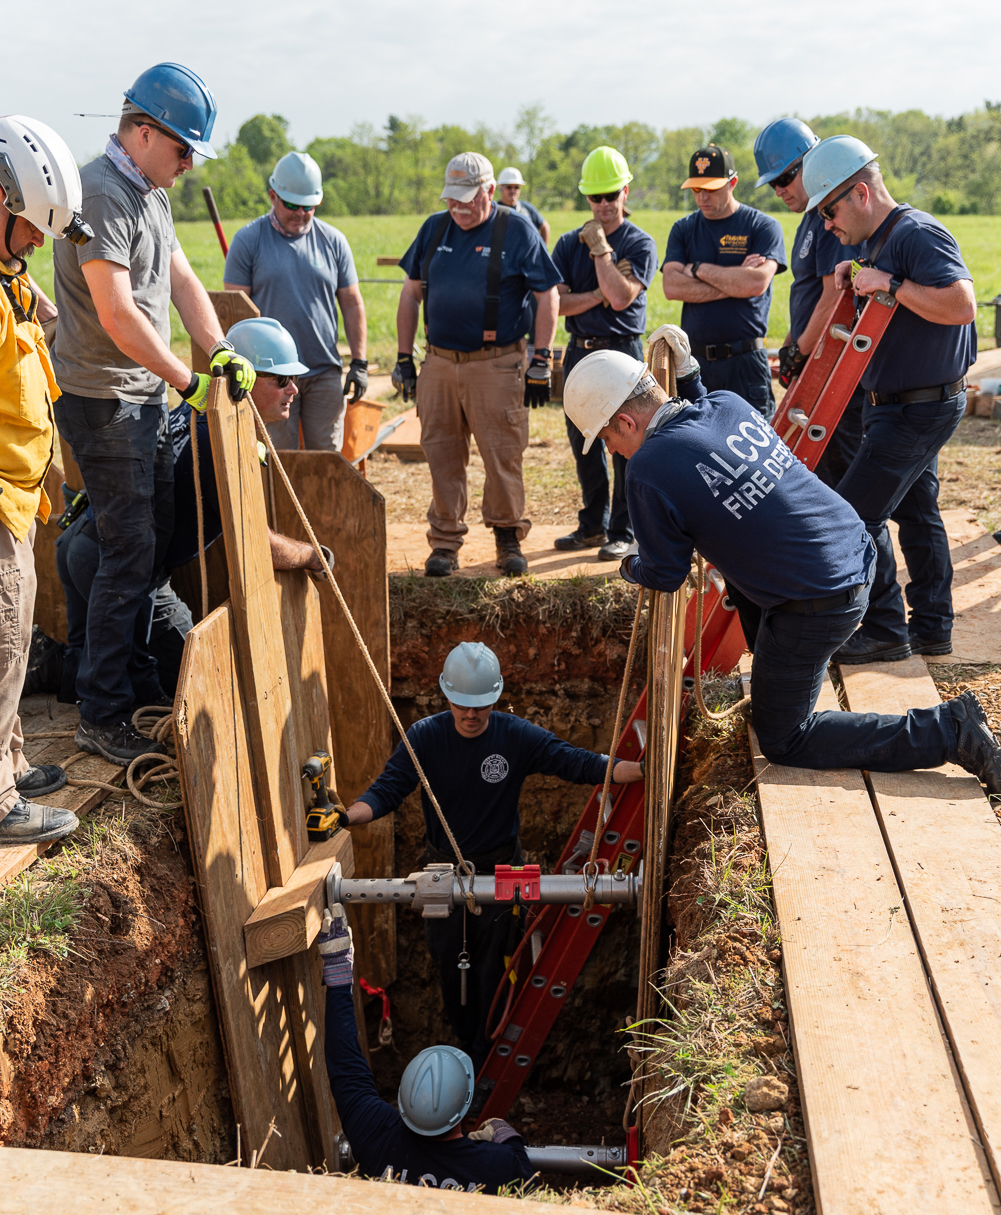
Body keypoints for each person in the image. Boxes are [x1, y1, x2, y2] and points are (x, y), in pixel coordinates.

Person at [561, 338, 1001, 796]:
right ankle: (780, 678)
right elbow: (699, 417)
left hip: (821, 600)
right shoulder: (727, 404)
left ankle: (949, 731)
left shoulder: (647, 470)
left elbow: (664, 574)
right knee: (739, 552)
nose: (613, 450)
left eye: (609, 438)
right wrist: (691, 372)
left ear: (627, 421)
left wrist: (628, 565)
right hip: (851, 551)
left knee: (784, 738)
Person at [51, 62, 257, 765]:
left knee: (150, 540)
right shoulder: (101, 194)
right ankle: (101, 710)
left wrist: (219, 350)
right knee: (127, 549)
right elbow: (115, 312)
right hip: (103, 398)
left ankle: (128, 674)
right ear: (142, 133)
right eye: (181, 149)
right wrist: (186, 379)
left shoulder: (149, 192)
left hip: (139, 396)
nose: (187, 164)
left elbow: (181, 278)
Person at [340, 641, 643, 1070]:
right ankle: (466, 1047)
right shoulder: (426, 737)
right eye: (461, 704)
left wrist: (628, 770)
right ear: (446, 696)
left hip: (503, 870)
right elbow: (389, 788)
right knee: (450, 964)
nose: (470, 714)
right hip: (443, 871)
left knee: (494, 970)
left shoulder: (513, 736)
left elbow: (569, 760)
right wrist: (348, 816)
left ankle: (486, 1055)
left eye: (480, 706)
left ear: (495, 698)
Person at [55, 318, 326, 697]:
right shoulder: (224, 441)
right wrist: (312, 555)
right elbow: (256, 543)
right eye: (281, 380)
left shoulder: (199, 411)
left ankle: (51, 668)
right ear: (244, 377)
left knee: (85, 666)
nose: (293, 390)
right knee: (194, 681)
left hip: (85, 548)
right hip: (117, 568)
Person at [802, 136, 977, 663]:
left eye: (828, 211)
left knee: (855, 516)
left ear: (859, 193)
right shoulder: (879, 240)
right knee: (918, 511)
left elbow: (963, 305)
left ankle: (882, 630)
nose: (826, 225)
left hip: (916, 407)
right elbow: (884, 287)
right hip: (901, 403)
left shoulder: (917, 234)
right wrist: (855, 277)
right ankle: (930, 627)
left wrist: (891, 283)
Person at [393, 153, 561, 578]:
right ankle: (445, 542)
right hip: (439, 363)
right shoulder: (434, 228)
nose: (459, 208)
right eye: (453, 199)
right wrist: (403, 357)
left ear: (489, 190)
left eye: (468, 199)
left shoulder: (516, 229)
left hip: (497, 363)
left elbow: (547, 294)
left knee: (502, 454)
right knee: (442, 453)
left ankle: (507, 537)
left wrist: (541, 357)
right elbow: (411, 293)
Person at [0, 114, 93, 845]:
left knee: (16, 642)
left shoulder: (11, 280)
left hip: (21, 492)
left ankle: (11, 757)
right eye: (31, 227)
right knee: (2, 644)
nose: (37, 242)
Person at [319, 901, 535, 1192]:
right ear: (465, 1104)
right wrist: (505, 1136)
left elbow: (345, 1065)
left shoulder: (375, 1135)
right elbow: (523, 1176)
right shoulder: (496, 1167)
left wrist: (337, 968)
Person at [551, 147, 658, 562]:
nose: (604, 205)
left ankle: (624, 529)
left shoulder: (638, 242)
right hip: (580, 351)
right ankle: (592, 523)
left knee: (627, 445)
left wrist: (600, 251)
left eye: (611, 195)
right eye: (596, 197)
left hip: (622, 353)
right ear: (587, 198)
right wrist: (595, 294)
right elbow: (557, 305)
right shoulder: (565, 244)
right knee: (584, 442)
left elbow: (619, 298)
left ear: (625, 192)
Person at [224, 152, 368, 452]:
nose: (301, 214)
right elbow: (234, 311)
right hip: (270, 376)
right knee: (278, 461)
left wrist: (359, 362)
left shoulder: (333, 241)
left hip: (323, 370)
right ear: (273, 196)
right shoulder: (249, 241)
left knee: (326, 463)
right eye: (292, 206)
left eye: (309, 207)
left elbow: (352, 303)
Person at [753, 119, 863, 488]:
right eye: (772, 183)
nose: (778, 190)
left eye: (784, 178)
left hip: (833, 365)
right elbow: (808, 295)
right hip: (818, 357)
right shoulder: (808, 221)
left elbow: (834, 297)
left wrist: (799, 352)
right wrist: (790, 342)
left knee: (839, 481)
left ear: (811, 162)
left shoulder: (830, 217)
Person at [661, 145, 786, 419]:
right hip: (695, 362)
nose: (702, 197)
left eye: (711, 189)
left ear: (733, 183)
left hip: (745, 361)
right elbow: (671, 287)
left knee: (754, 447)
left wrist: (696, 268)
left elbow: (754, 284)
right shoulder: (683, 229)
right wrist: (733, 281)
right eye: (696, 190)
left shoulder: (762, 226)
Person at [497, 168, 550, 245]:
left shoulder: (527, 208)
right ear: (501, 188)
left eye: (516, 187)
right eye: (509, 187)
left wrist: (541, 250)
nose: (513, 190)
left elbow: (545, 227)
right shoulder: (494, 210)